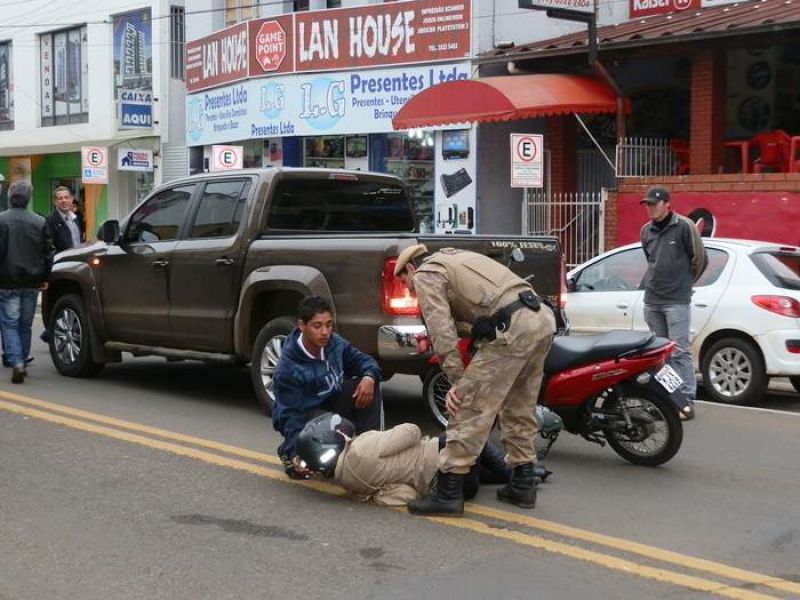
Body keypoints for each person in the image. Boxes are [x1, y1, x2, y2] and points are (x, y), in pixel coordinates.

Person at [394, 245, 556, 517]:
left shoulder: (426, 273)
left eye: (405, 283)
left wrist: (458, 382)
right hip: (540, 318)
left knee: (466, 408)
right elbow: (481, 309)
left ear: (410, 268)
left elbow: (442, 332)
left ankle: (448, 495)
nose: (410, 290)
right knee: (519, 407)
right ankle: (523, 483)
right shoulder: (455, 257)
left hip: (512, 327)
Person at [293, 412, 551, 507]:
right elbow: (411, 431)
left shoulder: (352, 488)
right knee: (461, 436)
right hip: (443, 457)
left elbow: (405, 494)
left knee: (473, 465)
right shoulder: (362, 448)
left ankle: (519, 475)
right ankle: (517, 473)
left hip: (455, 488)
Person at [272, 295, 384, 479]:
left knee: (367, 383)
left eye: (328, 325)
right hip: (308, 417)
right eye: (317, 326)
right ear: (302, 326)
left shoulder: (335, 343)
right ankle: (289, 452)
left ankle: (369, 450)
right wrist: (295, 452)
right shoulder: (288, 369)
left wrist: (369, 377)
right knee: (320, 467)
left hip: (333, 404)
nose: (325, 332)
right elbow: (289, 416)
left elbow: (365, 362)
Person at [640, 186, 707, 418]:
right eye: (647, 204)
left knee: (679, 351)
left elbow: (700, 259)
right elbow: (651, 260)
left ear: (667, 204)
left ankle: (686, 400)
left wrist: (684, 283)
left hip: (676, 300)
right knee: (660, 354)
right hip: (652, 300)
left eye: (654, 204)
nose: (650, 208)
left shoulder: (684, 227)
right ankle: (669, 398)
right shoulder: (646, 231)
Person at [0, 181, 54, 384]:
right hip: (32, 280)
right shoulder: (39, 221)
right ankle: (21, 359)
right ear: (28, 198)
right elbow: (48, 252)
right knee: (25, 324)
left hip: (7, 280)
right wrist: (46, 277)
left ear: (10, 197)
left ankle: (17, 362)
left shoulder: (2, 220)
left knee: (9, 323)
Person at [45, 186, 84, 253]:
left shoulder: (75, 218)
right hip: (62, 259)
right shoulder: (50, 221)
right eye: (60, 198)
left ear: (71, 199)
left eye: (66, 197)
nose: (64, 200)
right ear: (55, 202)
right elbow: (48, 248)